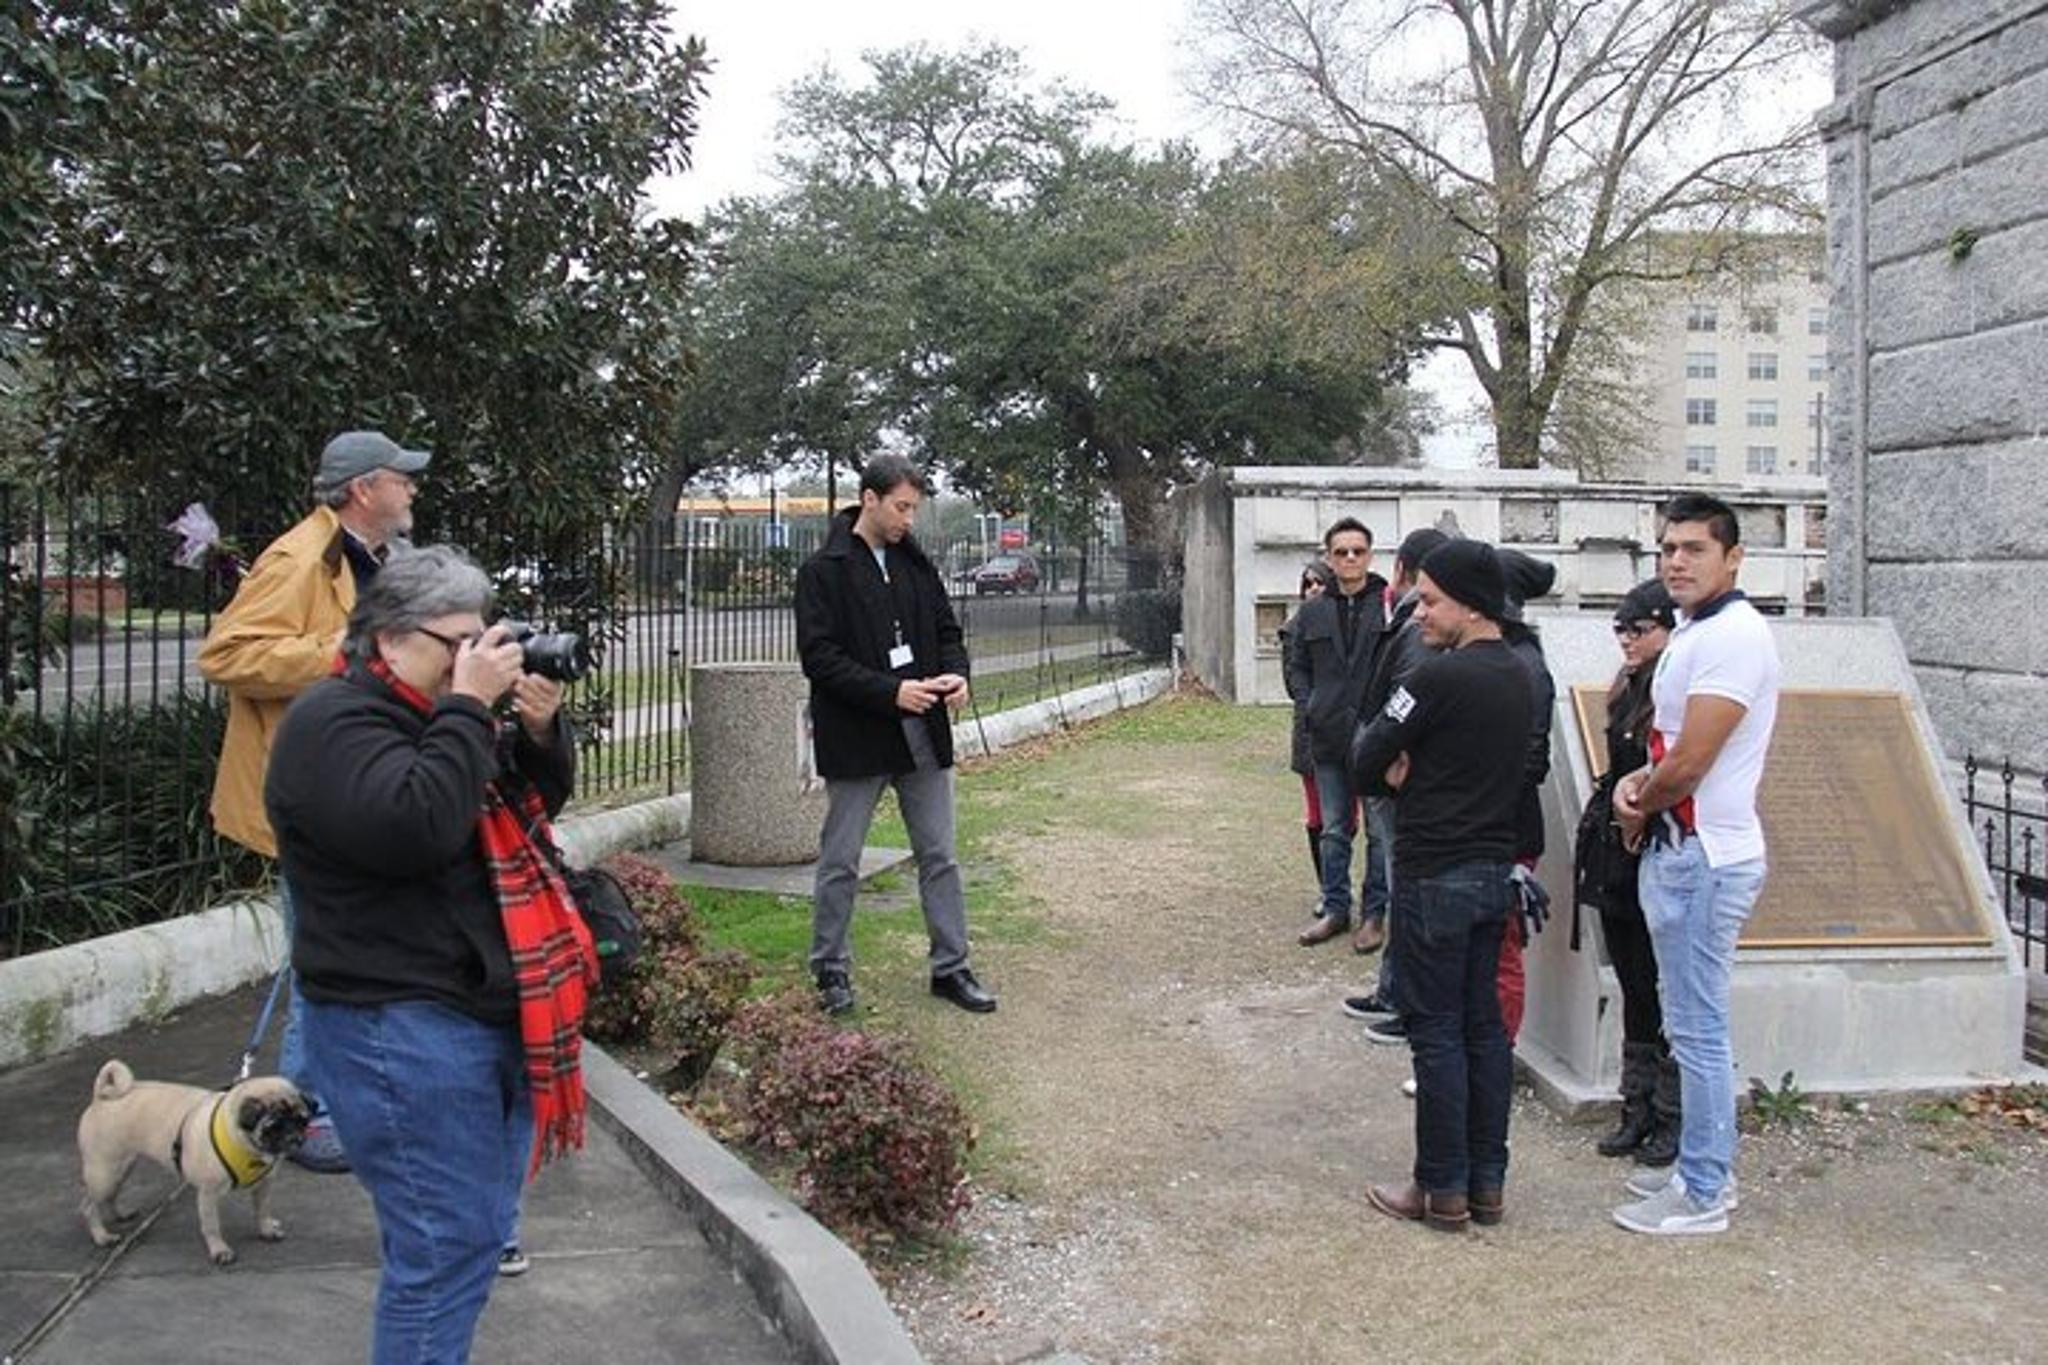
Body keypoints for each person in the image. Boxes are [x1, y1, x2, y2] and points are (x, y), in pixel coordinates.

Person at [264, 545, 593, 1361]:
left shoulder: (437, 713)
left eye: (482, 639)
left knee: (473, 1235)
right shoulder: (331, 723)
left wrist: (537, 729)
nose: (474, 658)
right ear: (390, 637)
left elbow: (528, 805)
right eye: (458, 644)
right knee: (444, 1247)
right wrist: (470, 708)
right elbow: (417, 828)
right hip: (395, 1024)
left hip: (477, 1009)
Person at [197, 429, 427, 1173]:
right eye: (401, 477)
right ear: (363, 489)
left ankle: (341, 1096)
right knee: (323, 957)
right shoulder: (301, 557)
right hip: (313, 797)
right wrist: (340, 654)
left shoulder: (378, 558)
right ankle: (305, 1111)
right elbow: (226, 653)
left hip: (358, 788)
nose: (412, 488)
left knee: (357, 950)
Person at [1611, 493, 1780, 1237]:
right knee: (1689, 1024)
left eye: (1694, 549)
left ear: (1733, 557)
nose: (1676, 561)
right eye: (1668, 548)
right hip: (1683, 849)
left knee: (1699, 1029)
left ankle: (1705, 1187)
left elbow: (1692, 761)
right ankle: (1701, 1165)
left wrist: (1639, 804)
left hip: (1706, 854)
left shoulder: (1735, 636)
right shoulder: (1697, 629)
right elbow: (1668, 749)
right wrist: (1637, 785)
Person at [1352, 539, 1533, 1232]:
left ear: (1472, 604)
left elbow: (1366, 755)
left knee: (1436, 1032)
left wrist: (1401, 764)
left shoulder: (1435, 677)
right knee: (1484, 1029)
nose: (1418, 611)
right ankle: (1487, 1183)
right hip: (1494, 868)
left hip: (1434, 871)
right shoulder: (1520, 672)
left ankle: (1439, 1186)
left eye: (1430, 601)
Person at [796, 455, 995, 1017]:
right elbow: (820, 658)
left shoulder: (916, 565)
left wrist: (956, 674)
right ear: (870, 499)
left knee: (940, 855)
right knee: (841, 859)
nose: (909, 519)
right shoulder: (823, 571)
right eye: (901, 507)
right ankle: (830, 968)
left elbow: (947, 632)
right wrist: (890, 693)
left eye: (914, 509)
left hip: (923, 732)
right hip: (858, 736)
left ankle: (951, 967)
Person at [1575, 579, 1680, 1167]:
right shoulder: (1628, 688)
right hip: (1617, 852)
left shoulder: (1675, 689)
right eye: (1621, 629)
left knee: (1668, 991)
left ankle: (1671, 1112)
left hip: (1656, 845)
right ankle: (1636, 1105)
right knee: (1636, 986)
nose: (1628, 640)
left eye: (1640, 629)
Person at [1341, 526, 1447, 1035]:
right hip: (1383, 772)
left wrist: (1385, 758)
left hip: (1398, 779)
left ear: (1403, 568)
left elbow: (1406, 702)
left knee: (1407, 887)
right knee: (1398, 878)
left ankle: (1404, 998)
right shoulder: (1405, 619)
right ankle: (1392, 989)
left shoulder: (1417, 629)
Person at [1286, 517, 1388, 948]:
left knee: (1379, 832)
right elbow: (1297, 665)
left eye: (1357, 551)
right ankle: (1335, 907)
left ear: (1370, 556)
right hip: (1327, 734)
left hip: (1376, 734)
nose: (1349, 559)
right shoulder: (1311, 612)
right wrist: (1311, 702)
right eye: (1341, 552)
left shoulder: (1386, 606)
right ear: (1329, 558)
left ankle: (1374, 913)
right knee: (1332, 829)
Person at [1493, 549, 1559, 1045]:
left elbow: (1531, 763)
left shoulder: (1525, 667)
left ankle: (1499, 1050)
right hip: (1484, 828)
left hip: (1508, 830)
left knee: (1501, 950)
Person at [1281, 561, 1339, 911]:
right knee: (1320, 817)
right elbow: (1294, 684)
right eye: (1308, 583)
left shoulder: (1347, 624)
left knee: (1350, 819)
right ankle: (1328, 889)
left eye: (1320, 582)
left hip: (1350, 732)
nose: (1314, 588)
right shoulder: (1294, 630)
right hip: (1312, 732)